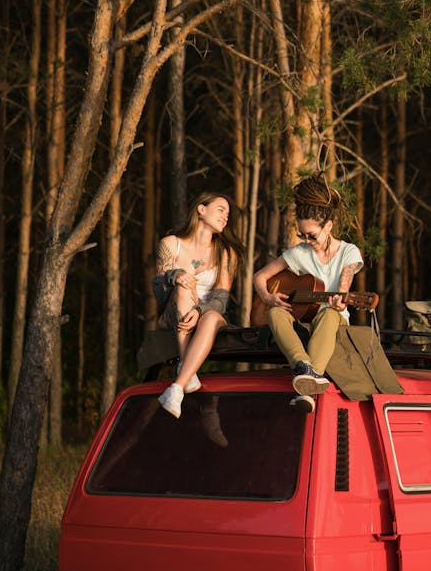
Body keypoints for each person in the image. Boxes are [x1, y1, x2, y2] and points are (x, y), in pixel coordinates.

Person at [253, 174, 363, 410]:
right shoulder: (299, 253)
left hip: (334, 321)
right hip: (305, 321)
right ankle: (304, 367)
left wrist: (341, 299)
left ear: (329, 226)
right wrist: (268, 296)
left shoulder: (349, 252)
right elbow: (259, 277)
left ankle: (310, 386)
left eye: (311, 235)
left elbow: (345, 283)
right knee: (274, 313)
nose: (306, 239)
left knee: (330, 314)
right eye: (302, 234)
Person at [154, 191, 242, 419]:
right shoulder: (171, 244)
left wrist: (199, 311)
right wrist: (175, 274)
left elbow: (221, 300)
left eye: (228, 214)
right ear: (201, 209)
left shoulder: (226, 252)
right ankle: (185, 376)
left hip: (209, 315)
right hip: (177, 309)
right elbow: (158, 290)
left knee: (211, 317)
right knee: (183, 286)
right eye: (221, 210)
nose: (225, 217)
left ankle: (177, 385)